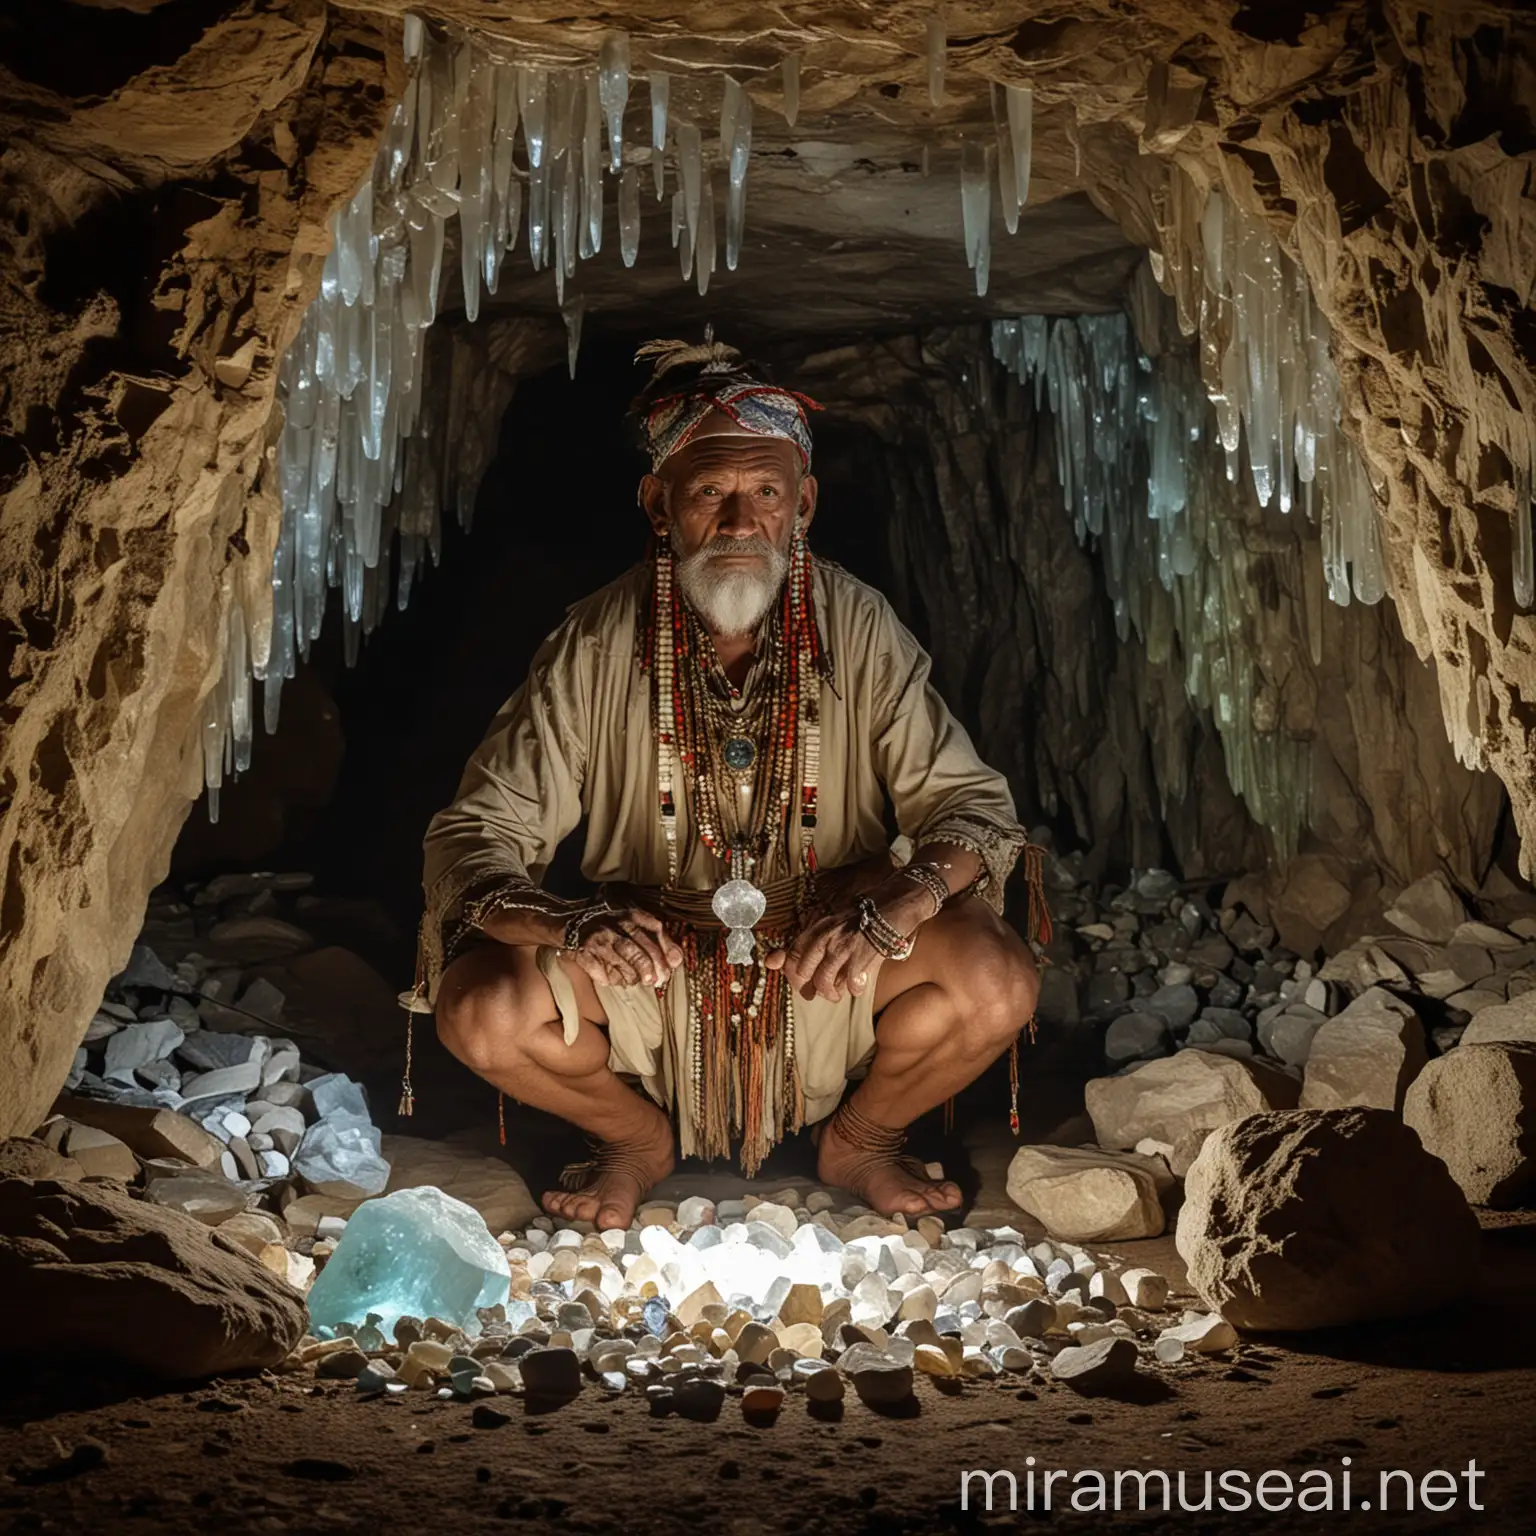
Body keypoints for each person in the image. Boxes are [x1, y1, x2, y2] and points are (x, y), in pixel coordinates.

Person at [413, 335, 1041, 1228]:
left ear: (803, 506)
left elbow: (972, 807)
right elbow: (474, 838)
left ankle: (862, 1141)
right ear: (660, 506)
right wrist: (575, 923)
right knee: (479, 1009)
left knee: (996, 981)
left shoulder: (856, 624)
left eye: (766, 494)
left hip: (830, 959)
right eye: (711, 493)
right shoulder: (597, 640)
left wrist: (897, 906)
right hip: (647, 971)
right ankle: (634, 1141)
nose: (741, 521)